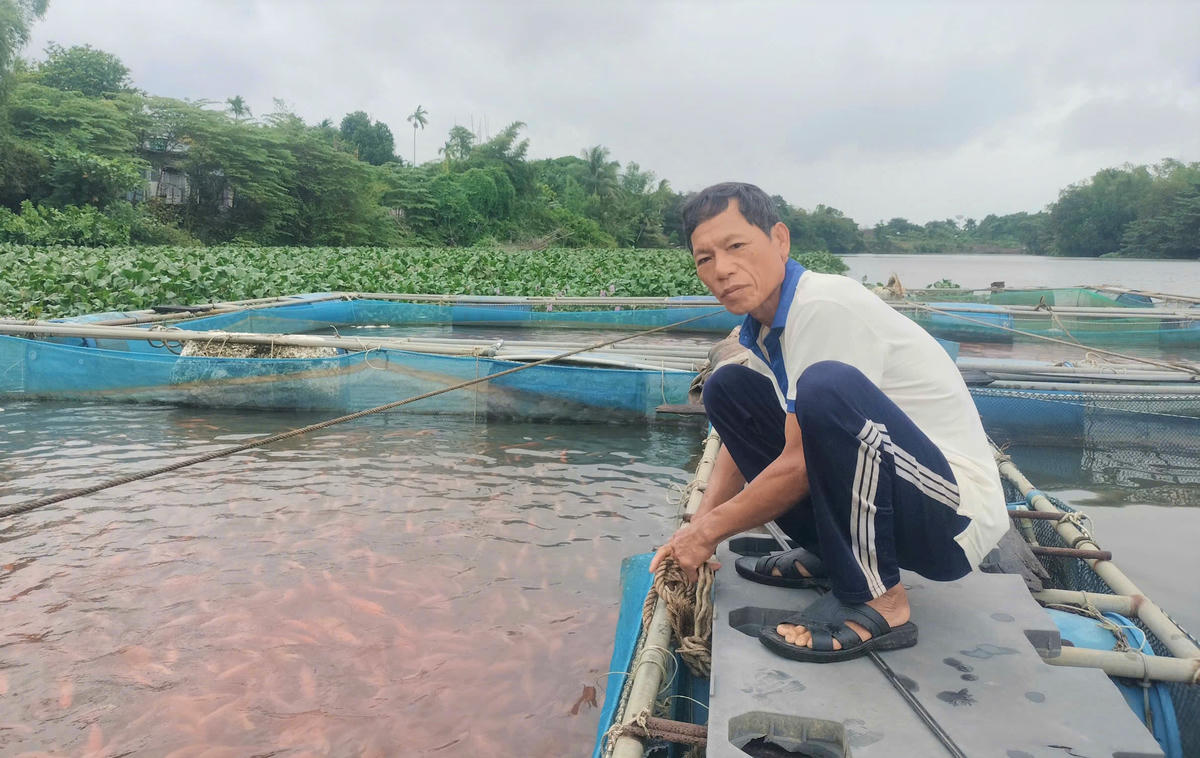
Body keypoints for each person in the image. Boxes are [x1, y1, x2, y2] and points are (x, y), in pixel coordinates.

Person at [649, 182, 1007, 663]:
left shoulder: (822, 306)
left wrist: (707, 534)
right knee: (727, 390)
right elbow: (741, 440)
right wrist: (697, 526)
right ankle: (830, 553)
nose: (722, 270)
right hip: (897, 496)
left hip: (950, 518)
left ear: (779, 240)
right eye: (704, 259)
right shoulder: (765, 329)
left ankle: (881, 599)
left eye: (736, 246)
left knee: (825, 389)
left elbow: (797, 464)